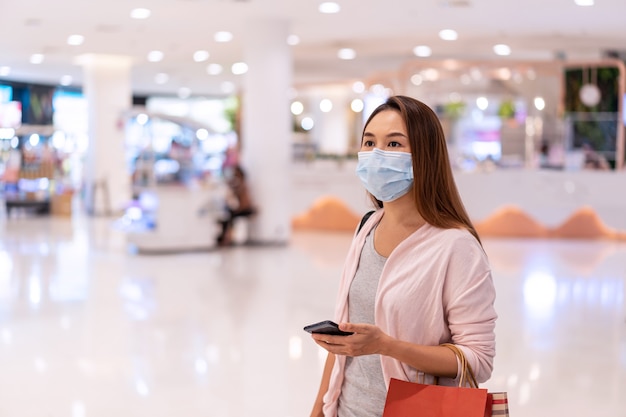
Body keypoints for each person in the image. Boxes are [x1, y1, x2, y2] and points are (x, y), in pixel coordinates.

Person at [309, 96, 497, 417]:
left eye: (394, 144)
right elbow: (345, 340)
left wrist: (387, 345)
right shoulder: (367, 226)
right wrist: (319, 409)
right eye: (369, 142)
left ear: (425, 155)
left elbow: (477, 360)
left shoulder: (456, 246)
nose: (376, 153)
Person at [217, 164, 256, 246]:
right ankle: (226, 237)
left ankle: (227, 238)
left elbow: (242, 202)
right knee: (227, 215)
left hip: (244, 209)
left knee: (228, 216)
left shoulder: (241, 185)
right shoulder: (240, 184)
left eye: (235, 173)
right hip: (240, 208)